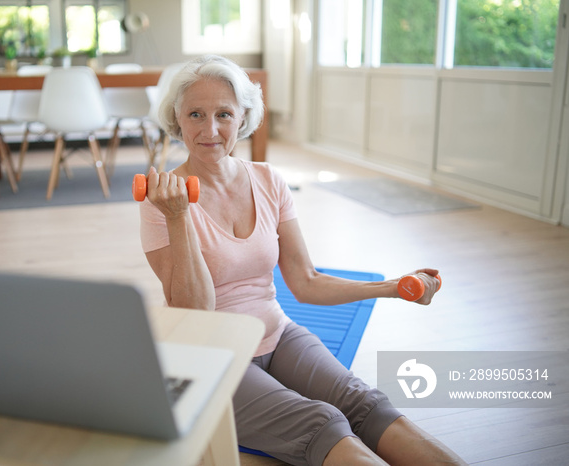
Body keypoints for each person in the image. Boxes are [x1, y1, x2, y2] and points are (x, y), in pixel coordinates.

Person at [138, 55, 466, 466]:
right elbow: (196, 311)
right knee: (322, 424)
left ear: (242, 118)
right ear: (177, 120)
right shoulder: (161, 201)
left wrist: (393, 287)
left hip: (277, 333)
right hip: (214, 351)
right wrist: (178, 215)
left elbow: (306, 280)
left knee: (366, 405)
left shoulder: (267, 180)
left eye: (223, 114)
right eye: (195, 115)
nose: (210, 129)